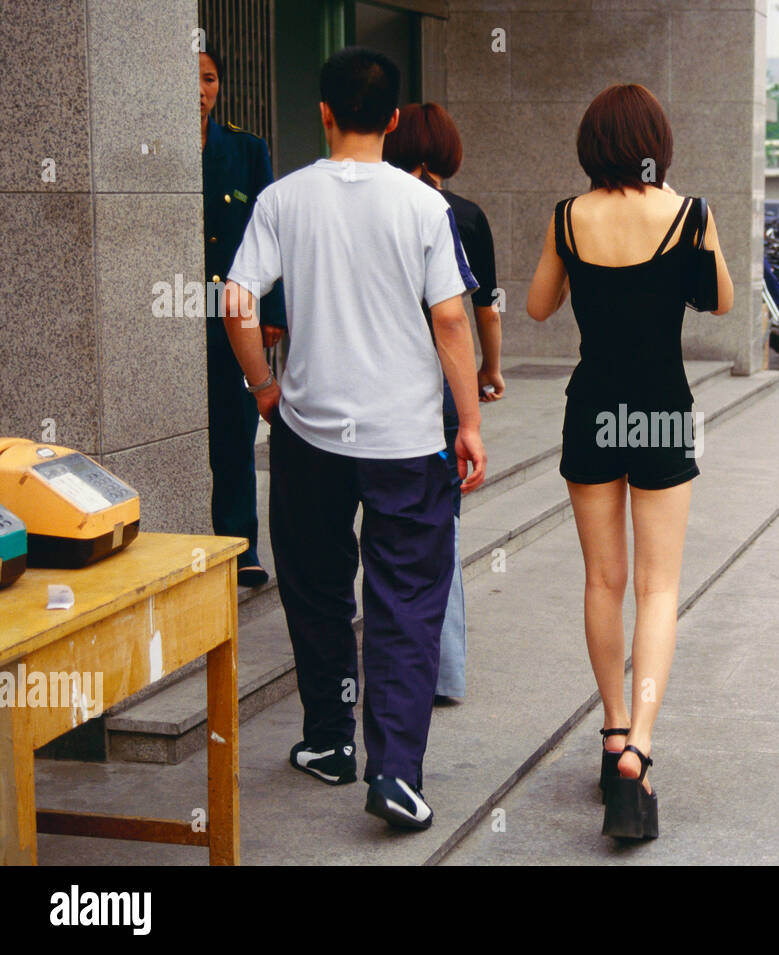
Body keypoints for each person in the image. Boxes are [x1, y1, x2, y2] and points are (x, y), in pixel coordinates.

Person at [222, 47, 487, 830]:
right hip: (406, 437)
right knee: (405, 601)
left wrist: (263, 386)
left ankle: (331, 740)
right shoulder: (422, 206)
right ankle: (397, 774)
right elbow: (450, 319)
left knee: (316, 587)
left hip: (308, 434)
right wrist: (468, 422)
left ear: (324, 113)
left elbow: (238, 302)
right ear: (395, 120)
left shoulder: (281, 199)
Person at [526, 83, 733, 840]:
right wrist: (685, 214)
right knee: (658, 584)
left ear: (592, 145)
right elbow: (720, 301)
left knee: (602, 579)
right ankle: (639, 747)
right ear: (656, 145)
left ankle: (611, 727)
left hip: (592, 407)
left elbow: (539, 307)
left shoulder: (567, 219)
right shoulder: (689, 214)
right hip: (661, 409)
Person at [383, 101, 504, 704]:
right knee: (441, 530)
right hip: (444, 386)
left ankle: (387, 662)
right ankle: (443, 671)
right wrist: (490, 370)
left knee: (383, 526)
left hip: (381, 385)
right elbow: (478, 313)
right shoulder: (467, 215)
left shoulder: (376, 205)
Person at [199, 44, 286, 589]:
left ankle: (241, 545)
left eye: (209, 78)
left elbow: (269, 236)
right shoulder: (151, 147)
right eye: (192, 78)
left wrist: (272, 309)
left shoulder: (247, 150)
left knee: (235, 426)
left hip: (231, 312)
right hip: (171, 308)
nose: (201, 89)